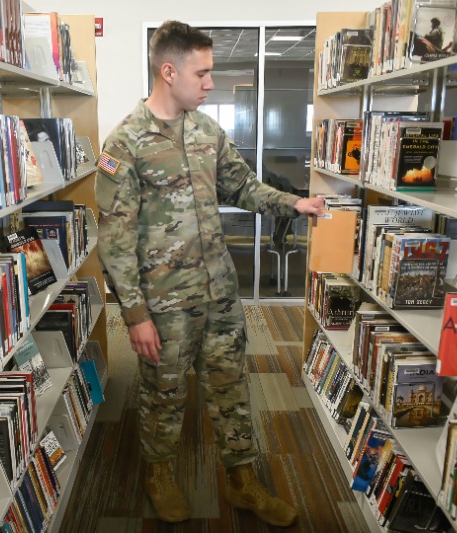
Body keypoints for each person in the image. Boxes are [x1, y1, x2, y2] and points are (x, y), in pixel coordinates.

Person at [95, 20, 325, 527]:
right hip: (164, 304)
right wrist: (135, 315)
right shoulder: (125, 144)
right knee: (164, 394)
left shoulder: (207, 132)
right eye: (202, 73)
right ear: (169, 70)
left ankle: (243, 481)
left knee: (231, 388)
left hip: (220, 295)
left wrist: (294, 202)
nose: (210, 83)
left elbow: (243, 188)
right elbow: (113, 241)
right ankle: (159, 475)